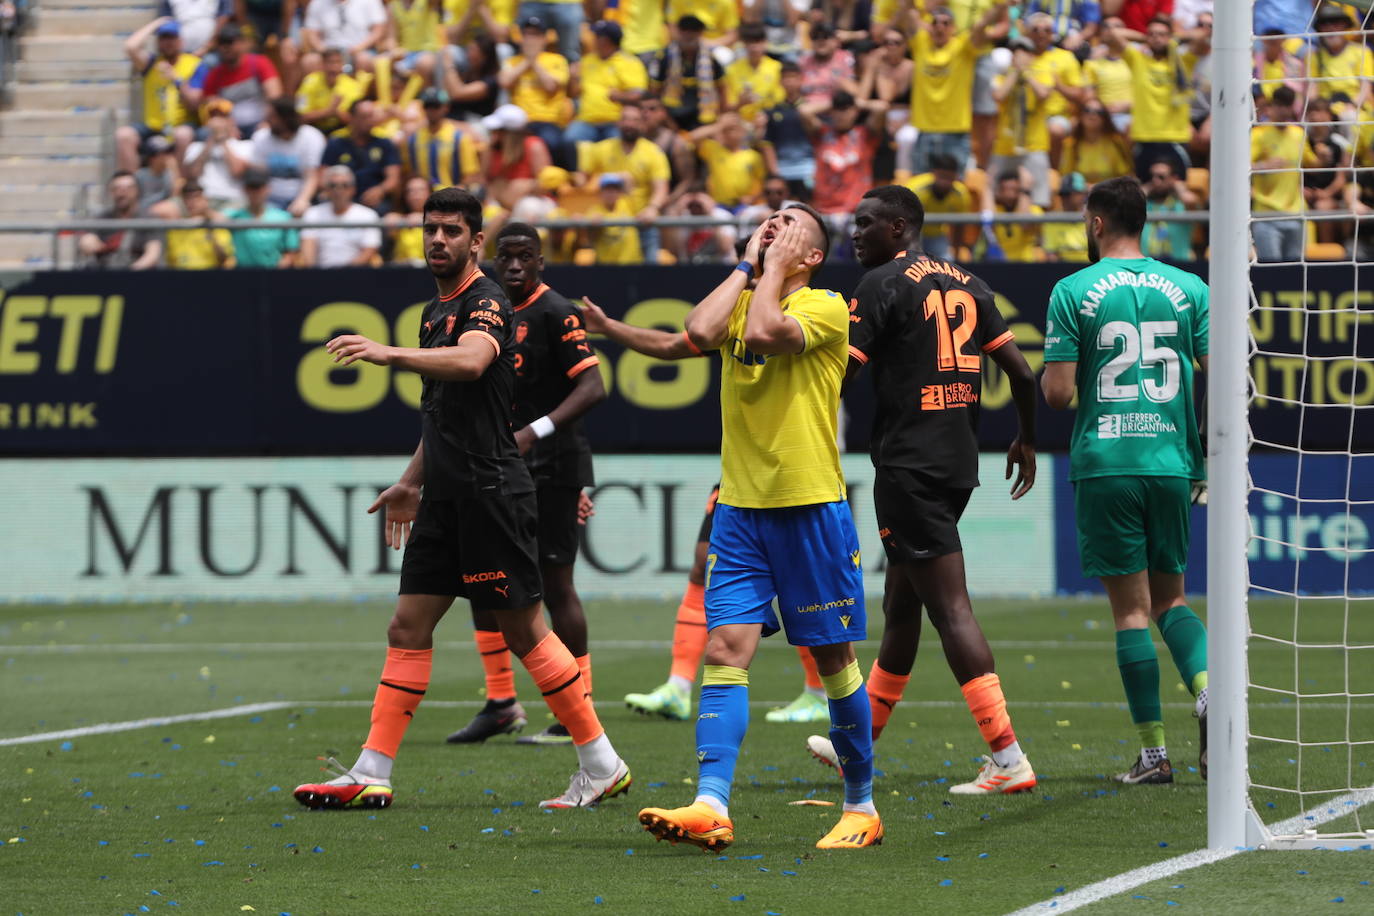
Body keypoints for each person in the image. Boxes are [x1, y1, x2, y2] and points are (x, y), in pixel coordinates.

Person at [295, 186, 631, 810]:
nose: (438, 240)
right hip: (446, 495)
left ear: (476, 241)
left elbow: (474, 362)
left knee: (525, 630)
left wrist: (388, 353)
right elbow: (442, 413)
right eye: (430, 229)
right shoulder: (435, 310)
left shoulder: (487, 301)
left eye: (451, 230)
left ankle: (601, 762)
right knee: (407, 625)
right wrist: (411, 481)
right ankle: (372, 768)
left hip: (491, 491)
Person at [637, 204, 882, 851]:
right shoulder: (745, 294)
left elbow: (769, 331)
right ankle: (711, 803)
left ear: (813, 254)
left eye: (788, 223)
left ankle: (861, 806)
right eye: (767, 219)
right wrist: (750, 263)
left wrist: (771, 269)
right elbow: (697, 329)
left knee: (834, 660)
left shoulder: (827, 306)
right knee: (724, 650)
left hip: (809, 505)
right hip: (741, 510)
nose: (772, 225)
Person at [803, 184, 1038, 796]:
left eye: (865, 223)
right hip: (957, 461)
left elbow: (839, 373)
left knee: (950, 609)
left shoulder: (881, 283)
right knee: (901, 607)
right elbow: (1021, 373)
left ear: (899, 227)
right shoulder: (971, 283)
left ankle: (1008, 757)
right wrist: (1026, 439)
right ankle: (856, 746)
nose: (854, 234)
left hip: (908, 466)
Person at [577, 297, 832, 725]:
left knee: (798, 580)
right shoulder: (736, 313)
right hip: (741, 471)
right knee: (703, 562)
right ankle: (678, 687)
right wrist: (609, 326)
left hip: (793, 473)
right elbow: (675, 343)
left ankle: (818, 691)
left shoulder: (812, 311)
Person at [1041, 176, 1211, 785]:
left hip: (1108, 462)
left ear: (1095, 223)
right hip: (1171, 462)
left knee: (1132, 612)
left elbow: (1058, 395)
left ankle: (1154, 755)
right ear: (1146, 221)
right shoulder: (1190, 287)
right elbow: (1221, 373)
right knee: (1172, 600)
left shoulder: (1072, 291)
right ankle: (1209, 691)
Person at [445, 221, 607, 745]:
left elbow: (593, 386)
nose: (514, 266)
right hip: (496, 465)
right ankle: (500, 702)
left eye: (525, 256)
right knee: (482, 578)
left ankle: (577, 709)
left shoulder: (556, 311)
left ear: (541, 260)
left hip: (552, 465)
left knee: (555, 584)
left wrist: (535, 432)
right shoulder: (488, 310)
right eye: (506, 257)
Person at [905, 1, 1009, 175]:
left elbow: (981, 25)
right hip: (924, 131)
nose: (940, 27)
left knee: (954, 187)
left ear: (953, 28)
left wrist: (1000, 6)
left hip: (955, 133)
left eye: (946, 23)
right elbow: (909, 11)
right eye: (935, 22)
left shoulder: (963, 47)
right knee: (919, 188)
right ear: (929, 27)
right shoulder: (921, 43)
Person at [577, 99, 670, 260]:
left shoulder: (653, 152)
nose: (629, 124)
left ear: (642, 124)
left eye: (635, 120)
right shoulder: (602, 149)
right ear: (618, 123)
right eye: (625, 119)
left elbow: (661, 188)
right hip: (609, 224)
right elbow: (581, 179)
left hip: (642, 222)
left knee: (651, 272)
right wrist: (588, 211)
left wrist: (652, 208)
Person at [1105, 16, 1194, 182]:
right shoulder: (1138, 59)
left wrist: (1174, 40)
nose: (1156, 38)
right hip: (1144, 136)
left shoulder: (1183, 61)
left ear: (1169, 37)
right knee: (1143, 189)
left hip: (1175, 136)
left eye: (1161, 34)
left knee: (1178, 188)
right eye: (1152, 34)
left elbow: (1203, 35)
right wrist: (1145, 38)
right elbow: (1115, 33)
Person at [117, 17, 202, 173]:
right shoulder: (151, 64)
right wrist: (157, 23)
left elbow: (194, 103)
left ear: (181, 41)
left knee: (182, 135)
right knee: (124, 135)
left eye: (172, 38)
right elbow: (130, 46)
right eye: (163, 38)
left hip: (181, 124)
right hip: (154, 126)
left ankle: (180, 184)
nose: (167, 42)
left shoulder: (194, 64)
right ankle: (131, 184)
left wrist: (176, 80)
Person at [1250, 85, 1313, 264]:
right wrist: (1264, 165)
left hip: (1296, 213)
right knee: (1272, 272)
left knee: (1296, 270)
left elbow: (1311, 162)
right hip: (1266, 214)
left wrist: (1324, 158)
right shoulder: (1259, 134)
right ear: (1270, 107)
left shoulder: (1299, 134)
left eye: (1287, 105)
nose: (1283, 110)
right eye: (1279, 105)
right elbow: (1240, 167)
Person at [564, 20, 649, 153]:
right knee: (569, 139)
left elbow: (639, 95)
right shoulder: (587, 61)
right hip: (586, 121)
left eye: (598, 37)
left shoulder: (630, 63)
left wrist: (619, 96)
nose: (594, 39)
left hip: (615, 122)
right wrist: (573, 78)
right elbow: (573, 94)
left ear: (608, 41)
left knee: (617, 145)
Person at [499, 16, 572, 168]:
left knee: (552, 142)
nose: (531, 39)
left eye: (536, 35)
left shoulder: (557, 60)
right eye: (527, 34)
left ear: (544, 38)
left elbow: (550, 86)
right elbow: (504, 82)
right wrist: (528, 60)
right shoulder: (512, 61)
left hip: (548, 120)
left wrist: (534, 61)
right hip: (519, 122)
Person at [200, 23, 284, 140]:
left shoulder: (259, 63)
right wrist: (227, 125)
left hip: (260, 122)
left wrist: (267, 121)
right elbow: (212, 107)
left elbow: (275, 96)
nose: (225, 47)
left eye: (229, 42)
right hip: (231, 127)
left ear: (242, 43)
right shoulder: (214, 75)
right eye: (221, 43)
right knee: (205, 133)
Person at [322, 99, 402, 213]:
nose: (370, 121)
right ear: (352, 118)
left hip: (373, 201)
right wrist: (338, 191)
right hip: (341, 197)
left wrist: (380, 190)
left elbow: (393, 179)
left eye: (372, 116)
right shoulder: (336, 142)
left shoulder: (384, 143)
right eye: (364, 117)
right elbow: (323, 175)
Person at [648, 15, 726, 132]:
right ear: (679, 32)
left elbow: (721, 90)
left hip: (701, 116)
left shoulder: (711, 58)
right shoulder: (664, 57)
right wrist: (669, 123)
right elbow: (654, 93)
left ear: (700, 33)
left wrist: (719, 117)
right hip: (671, 116)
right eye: (685, 30)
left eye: (694, 31)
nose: (689, 35)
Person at [251, 97, 326, 216]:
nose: (267, 120)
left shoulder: (312, 137)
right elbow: (259, 174)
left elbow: (312, 176)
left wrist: (302, 201)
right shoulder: (261, 137)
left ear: (285, 118)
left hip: (303, 198)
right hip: (270, 200)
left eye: (272, 116)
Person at [299, 165, 383, 267]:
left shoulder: (368, 215)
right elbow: (308, 249)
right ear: (326, 189)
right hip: (319, 273)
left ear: (353, 189)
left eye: (345, 185)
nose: (339, 190)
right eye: (333, 185)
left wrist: (344, 272)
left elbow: (369, 251)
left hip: (356, 273)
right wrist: (314, 273)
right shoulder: (313, 213)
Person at [78, 171, 163, 270]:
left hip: (138, 274)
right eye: (117, 189)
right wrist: (90, 242)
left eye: (128, 188)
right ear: (111, 192)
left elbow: (152, 254)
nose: (122, 193)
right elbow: (86, 242)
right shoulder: (102, 218)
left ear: (137, 191)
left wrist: (128, 273)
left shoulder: (149, 219)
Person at [403, 87, 483, 192]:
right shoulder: (414, 139)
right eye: (427, 106)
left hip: (451, 195)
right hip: (424, 196)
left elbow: (470, 173)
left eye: (436, 106)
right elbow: (409, 172)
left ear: (446, 107)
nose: (431, 111)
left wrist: (457, 191)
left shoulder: (458, 138)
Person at [182, 99, 255, 211]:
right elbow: (192, 175)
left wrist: (222, 140)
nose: (218, 121)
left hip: (234, 201)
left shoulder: (245, 145)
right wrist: (210, 141)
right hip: (203, 200)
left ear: (232, 120)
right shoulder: (195, 146)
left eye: (223, 116)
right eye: (213, 116)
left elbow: (237, 172)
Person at [903, 152, 976, 262]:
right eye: (942, 176)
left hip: (937, 237)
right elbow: (905, 224)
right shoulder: (915, 190)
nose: (945, 182)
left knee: (947, 261)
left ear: (955, 176)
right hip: (912, 236)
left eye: (949, 178)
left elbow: (959, 228)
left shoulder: (961, 195)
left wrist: (957, 256)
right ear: (934, 173)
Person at [689, 111, 766, 212]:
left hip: (744, 206)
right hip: (718, 205)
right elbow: (692, 137)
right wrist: (719, 125)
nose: (729, 133)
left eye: (733, 129)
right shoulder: (713, 149)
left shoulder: (753, 156)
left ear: (743, 132)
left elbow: (762, 181)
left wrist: (752, 197)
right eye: (726, 130)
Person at [226, 166, 300, 267]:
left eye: (259, 187)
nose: (255, 192)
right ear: (245, 189)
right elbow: (215, 218)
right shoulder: (233, 216)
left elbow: (291, 252)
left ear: (268, 189)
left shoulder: (284, 217)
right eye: (251, 187)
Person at [160, 179, 236, 269]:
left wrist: (210, 233)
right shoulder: (176, 227)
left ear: (205, 199)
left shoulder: (216, 225)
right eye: (187, 198)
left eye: (197, 197)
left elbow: (225, 259)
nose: (192, 202)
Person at [1060, 102, 1133, 187]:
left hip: (1110, 191)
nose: (1092, 115)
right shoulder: (1071, 144)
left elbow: (1124, 175)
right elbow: (1067, 178)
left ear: (1105, 118)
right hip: (1081, 192)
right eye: (1087, 110)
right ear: (1080, 115)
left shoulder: (1115, 142)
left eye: (1099, 112)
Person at [295, 46, 366, 135]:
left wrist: (336, 112)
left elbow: (357, 122)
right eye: (330, 62)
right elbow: (300, 117)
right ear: (322, 64)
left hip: (343, 132)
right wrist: (328, 111)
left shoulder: (353, 86)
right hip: (315, 130)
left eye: (338, 62)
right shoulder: (309, 82)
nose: (334, 67)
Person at [1141, 158, 1199, 260]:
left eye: (1161, 177)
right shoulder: (1143, 205)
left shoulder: (1181, 206)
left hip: (1179, 263)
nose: (1155, 181)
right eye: (1152, 177)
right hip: (1148, 264)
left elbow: (1190, 200)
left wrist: (1178, 186)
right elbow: (1127, 203)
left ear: (1173, 179)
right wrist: (1145, 190)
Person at [579, 175, 645, 264]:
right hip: (607, 265)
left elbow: (628, 179)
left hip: (632, 263)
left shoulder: (627, 203)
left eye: (615, 189)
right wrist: (593, 225)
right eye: (607, 189)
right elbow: (590, 238)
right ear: (600, 192)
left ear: (619, 192)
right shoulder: (594, 211)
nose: (611, 193)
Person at [1041, 171, 1091, 262]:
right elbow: (1051, 255)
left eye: (1069, 194)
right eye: (1063, 194)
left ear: (1082, 195)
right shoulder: (1053, 221)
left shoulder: (1093, 219)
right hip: (1063, 267)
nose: (1065, 198)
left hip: (1090, 267)